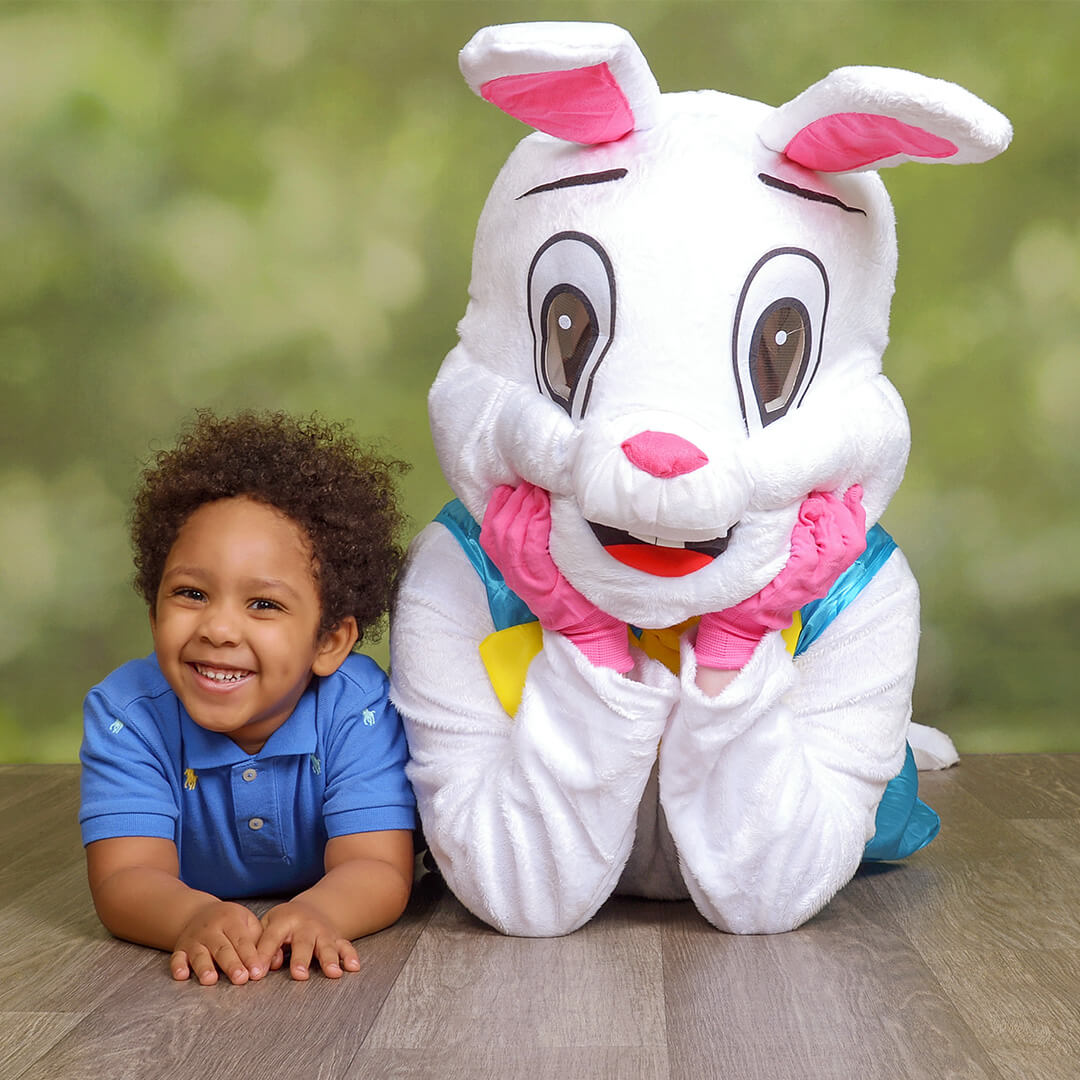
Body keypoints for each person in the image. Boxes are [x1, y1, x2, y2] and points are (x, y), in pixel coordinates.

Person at [80, 410, 415, 985]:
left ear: (330, 641)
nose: (218, 629)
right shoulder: (126, 716)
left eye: (263, 604)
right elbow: (124, 877)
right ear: (153, 608)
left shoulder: (358, 708)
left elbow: (378, 865)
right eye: (190, 593)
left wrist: (321, 912)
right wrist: (191, 916)